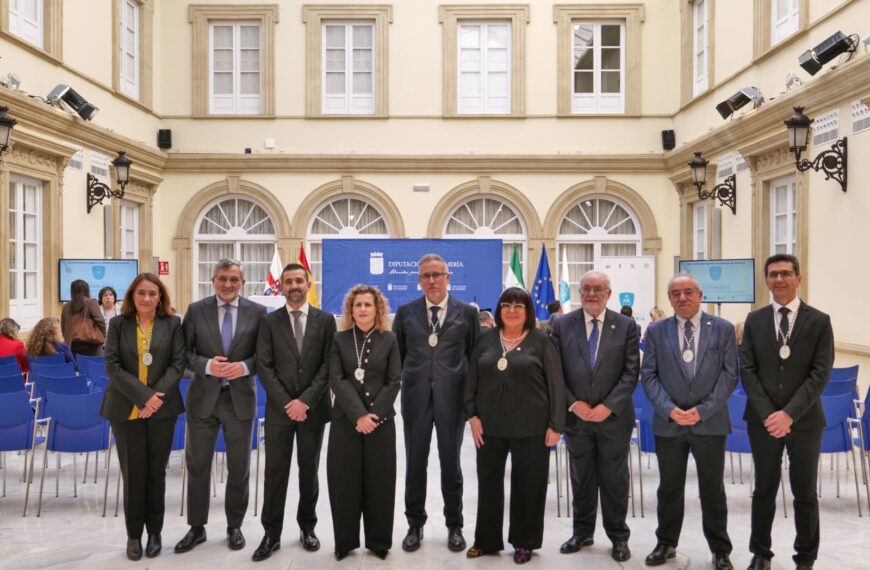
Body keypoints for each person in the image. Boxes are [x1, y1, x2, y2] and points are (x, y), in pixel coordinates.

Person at [739, 254, 833, 570]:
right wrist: (770, 414)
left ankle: (805, 558)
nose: (779, 279)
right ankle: (761, 553)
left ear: (798, 279)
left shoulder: (819, 320)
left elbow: (820, 373)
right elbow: (747, 370)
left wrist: (789, 414)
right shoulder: (755, 320)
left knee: (804, 491)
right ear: (766, 280)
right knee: (764, 488)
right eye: (773, 274)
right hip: (762, 421)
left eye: (786, 273)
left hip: (804, 421)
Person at [641, 273, 737, 570]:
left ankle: (720, 549)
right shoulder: (656, 332)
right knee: (669, 488)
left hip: (709, 422)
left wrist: (703, 410)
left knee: (713, 489)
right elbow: (649, 374)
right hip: (669, 423)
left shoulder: (722, 329)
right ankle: (666, 543)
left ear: (700, 294)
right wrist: (669, 409)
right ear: (669, 298)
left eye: (688, 292)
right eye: (675, 293)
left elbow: (729, 374)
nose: (682, 298)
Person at [464, 287, 565, 564]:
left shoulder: (541, 340)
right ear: (499, 310)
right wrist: (472, 416)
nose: (511, 310)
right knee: (488, 484)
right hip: (489, 427)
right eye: (506, 305)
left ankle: (524, 541)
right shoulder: (485, 339)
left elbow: (556, 384)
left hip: (531, 427)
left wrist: (556, 425)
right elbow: (470, 380)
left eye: (518, 306)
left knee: (528, 486)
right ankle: (486, 540)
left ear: (528, 311)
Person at [174, 259, 266, 554]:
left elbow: (265, 356)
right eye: (222, 279)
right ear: (212, 280)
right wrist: (207, 365)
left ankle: (234, 526)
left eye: (234, 279)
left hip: (239, 400)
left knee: (239, 467)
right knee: (198, 464)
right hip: (203, 399)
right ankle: (196, 527)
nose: (228, 285)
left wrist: (245, 366)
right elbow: (183, 354)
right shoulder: (196, 310)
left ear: (242, 282)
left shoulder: (258, 312)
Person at [392, 253, 480, 552]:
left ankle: (454, 525)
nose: (432, 280)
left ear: (448, 277)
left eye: (437, 275)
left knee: (451, 465)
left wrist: (472, 406)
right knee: (415, 466)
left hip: (451, 402)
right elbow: (398, 358)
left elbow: (473, 360)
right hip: (416, 401)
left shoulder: (467, 313)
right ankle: (414, 524)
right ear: (419, 280)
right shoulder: (405, 313)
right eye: (426, 276)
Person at [551, 271, 639, 563]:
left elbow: (630, 373)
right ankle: (582, 532)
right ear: (579, 292)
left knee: (615, 481)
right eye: (586, 288)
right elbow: (554, 373)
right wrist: (574, 404)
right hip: (577, 419)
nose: (591, 293)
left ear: (608, 293)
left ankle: (618, 537)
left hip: (613, 420)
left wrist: (608, 406)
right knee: (582, 477)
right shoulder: (562, 324)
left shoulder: (626, 326)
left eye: (597, 289)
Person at [253, 263, 337, 561]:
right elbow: (264, 365)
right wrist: (288, 402)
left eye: (299, 281)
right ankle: (271, 533)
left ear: (308, 283)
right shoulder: (269, 321)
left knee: (308, 472)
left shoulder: (326, 320)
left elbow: (329, 366)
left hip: (313, 411)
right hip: (280, 411)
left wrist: (305, 401)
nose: (294, 286)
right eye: (288, 281)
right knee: (275, 473)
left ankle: (307, 528)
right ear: (282, 286)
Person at [100, 273, 186, 561]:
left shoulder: (173, 324)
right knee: (133, 473)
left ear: (160, 296)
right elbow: (112, 365)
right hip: (126, 408)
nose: (147, 298)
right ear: (132, 296)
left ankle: (155, 532)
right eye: (141, 293)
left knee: (156, 473)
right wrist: (143, 396)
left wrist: (154, 397)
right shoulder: (117, 324)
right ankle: (134, 535)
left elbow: (177, 364)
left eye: (152, 293)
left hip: (162, 409)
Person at [328, 285, 401, 561]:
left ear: (377, 308)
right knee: (343, 482)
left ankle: (379, 541)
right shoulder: (339, 339)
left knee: (380, 483)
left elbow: (394, 381)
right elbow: (338, 379)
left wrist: (373, 415)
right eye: (357, 305)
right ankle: (345, 542)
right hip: (345, 422)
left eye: (367, 305)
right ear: (350, 309)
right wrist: (358, 414)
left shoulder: (390, 339)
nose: (362, 309)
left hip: (381, 423)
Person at [61, 279, 107, 356]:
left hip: (72, 347)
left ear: (72, 291)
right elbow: (101, 321)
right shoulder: (91, 302)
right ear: (86, 290)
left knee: (77, 367)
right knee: (96, 367)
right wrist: (103, 335)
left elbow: (63, 327)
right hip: (92, 347)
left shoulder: (66, 306)